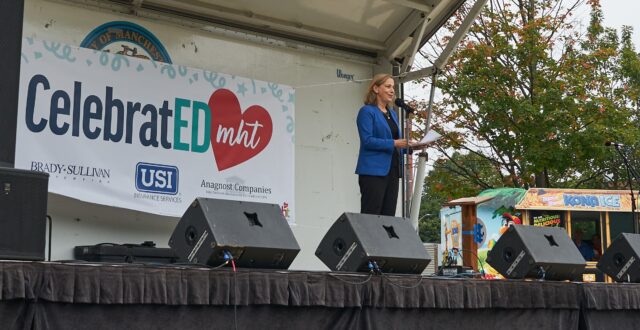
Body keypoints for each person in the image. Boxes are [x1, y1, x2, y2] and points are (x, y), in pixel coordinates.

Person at [355, 73, 417, 215]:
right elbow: (367, 141)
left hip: (393, 171)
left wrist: (411, 148)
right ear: (376, 89)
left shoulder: (392, 114)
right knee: (371, 215)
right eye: (388, 86)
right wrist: (395, 143)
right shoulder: (367, 111)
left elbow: (396, 144)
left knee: (388, 216)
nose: (392, 90)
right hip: (373, 172)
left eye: (393, 87)